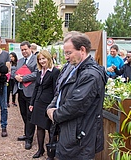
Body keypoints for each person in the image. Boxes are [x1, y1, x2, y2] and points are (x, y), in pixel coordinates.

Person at [46, 32, 107, 160]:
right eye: (65, 53)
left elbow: (76, 105)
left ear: (82, 50)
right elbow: (59, 90)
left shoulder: (90, 75)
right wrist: (51, 107)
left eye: (69, 53)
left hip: (80, 137)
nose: (66, 57)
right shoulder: (72, 67)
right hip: (70, 132)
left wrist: (55, 115)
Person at [29, 50, 60, 159]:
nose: (42, 61)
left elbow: (56, 90)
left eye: (43, 58)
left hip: (49, 104)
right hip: (38, 102)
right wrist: (32, 102)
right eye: (40, 59)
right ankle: (40, 150)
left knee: (51, 129)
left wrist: (53, 106)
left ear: (48, 58)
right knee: (39, 127)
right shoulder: (39, 71)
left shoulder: (55, 72)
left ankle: (51, 153)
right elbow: (36, 88)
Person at [13, 41, 37, 150]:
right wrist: (16, 76)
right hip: (20, 91)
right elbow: (14, 72)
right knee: (23, 113)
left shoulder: (36, 60)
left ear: (30, 49)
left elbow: (37, 73)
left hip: (30, 92)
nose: (24, 52)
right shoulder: (20, 61)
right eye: (22, 50)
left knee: (30, 115)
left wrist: (23, 78)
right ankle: (27, 133)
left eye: (25, 49)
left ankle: (29, 139)